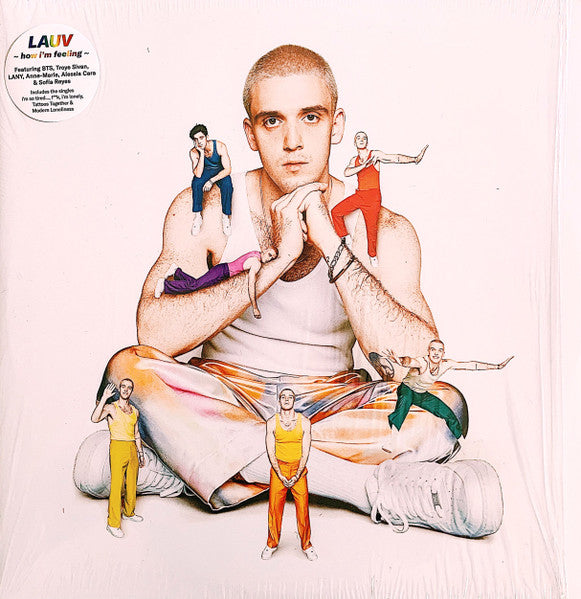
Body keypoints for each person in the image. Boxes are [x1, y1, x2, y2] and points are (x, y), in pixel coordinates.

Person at [76, 45, 505, 539]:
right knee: (128, 368)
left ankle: (188, 464)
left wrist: (332, 245)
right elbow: (154, 335)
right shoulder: (210, 212)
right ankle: (371, 490)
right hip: (226, 393)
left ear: (336, 125)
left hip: (332, 402)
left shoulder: (384, 230)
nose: (293, 141)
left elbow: (419, 362)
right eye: (272, 121)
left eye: (311, 117)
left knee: (441, 406)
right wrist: (273, 265)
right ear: (250, 133)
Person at [370, 341, 513, 454]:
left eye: (439, 350)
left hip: (421, 394)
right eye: (433, 350)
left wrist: (496, 366)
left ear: (443, 353)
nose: (436, 353)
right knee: (403, 405)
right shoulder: (423, 362)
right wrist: (397, 360)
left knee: (447, 412)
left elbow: (470, 365)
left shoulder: (446, 364)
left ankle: (462, 442)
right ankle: (392, 441)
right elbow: (409, 361)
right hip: (407, 390)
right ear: (429, 351)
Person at [331, 131, 428, 266]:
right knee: (336, 212)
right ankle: (346, 237)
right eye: (358, 138)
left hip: (373, 197)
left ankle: (372, 256)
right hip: (360, 195)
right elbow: (347, 172)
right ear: (354, 142)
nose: (361, 140)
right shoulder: (354, 160)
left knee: (371, 229)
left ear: (367, 142)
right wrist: (363, 166)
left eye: (364, 138)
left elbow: (395, 158)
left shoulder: (375, 155)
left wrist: (414, 159)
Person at [261, 389, 316, 561]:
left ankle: (307, 545)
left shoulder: (304, 422)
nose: (286, 400)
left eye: (290, 397)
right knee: (274, 509)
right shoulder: (272, 422)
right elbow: (270, 450)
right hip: (279, 468)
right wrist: (279, 473)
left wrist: (298, 473)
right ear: (279, 401)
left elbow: (305, 451)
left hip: (298, 469)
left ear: (294, 400)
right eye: (283, 397)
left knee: (303, 509)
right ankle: (271, 544)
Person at [90, 378, 145, 538]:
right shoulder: (111, 408)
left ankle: (129, 512)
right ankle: (113, 524)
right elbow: (94, 418)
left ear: (131, 391)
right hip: (117, 446)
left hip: (132, 447)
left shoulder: (134, 411)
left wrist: (140, 453)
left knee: (132, 482)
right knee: (117, 485)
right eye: (123, 387)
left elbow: (136, 433)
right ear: (119, 389)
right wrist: (104, 398)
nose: (126, 390)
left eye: (129, 387)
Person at [154, 248, 277, 319]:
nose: (269, 258)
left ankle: (176, 271)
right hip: (222, 272)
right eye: (269, 254)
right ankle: (164, 285)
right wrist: (255, 307)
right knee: (195, 285)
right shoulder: (256, 263)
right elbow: (251, 284)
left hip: (222, 269)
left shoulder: (256, 253)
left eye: (272, 258)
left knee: (197, 283)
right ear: (265, 250)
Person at [189, 124, 233, 236]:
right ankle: (198, 216)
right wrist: (201, 153)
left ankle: (225, 217)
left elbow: (228, 169)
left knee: (228, 185)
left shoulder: (220, 146)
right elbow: (198, 174)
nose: (199, 142)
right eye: (195, 139)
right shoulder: (194, 152)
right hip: (205, 170)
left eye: (201, 138)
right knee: (196, 183)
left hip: (220, 170)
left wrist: (211, 181)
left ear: (207, 137)